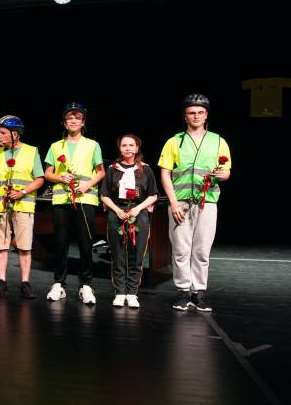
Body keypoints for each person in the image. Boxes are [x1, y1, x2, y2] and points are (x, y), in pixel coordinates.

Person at [159, 94, 231, 312]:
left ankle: (199, 292)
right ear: (185, 116)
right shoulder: (174, 141)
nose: (196, 116)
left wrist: (223, 174)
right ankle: (182, 291)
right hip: (180, 202)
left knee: (201, 250)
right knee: (181, 249)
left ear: (206, 115)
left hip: (206, 202)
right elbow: (165, 173)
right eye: (192, 112)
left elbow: (226, 171)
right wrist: (173, 203)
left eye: (200, 112)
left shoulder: (218, 141)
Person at [43, 102, 105, 305]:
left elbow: (101, 172)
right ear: (64, 122)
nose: (73, 121)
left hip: (85, 199)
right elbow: (48, 173)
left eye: (77, 118)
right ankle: (58, 283)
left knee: (85, 243)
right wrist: (60, 177)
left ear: (83, 122)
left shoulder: (92, 144)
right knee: (60, 242)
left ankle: (86, 285)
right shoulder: (55, 146)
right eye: (70, 117)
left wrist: (86, 186)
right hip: (62, 199)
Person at [0, 115, 44, 299]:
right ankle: (1, 281)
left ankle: (25, 283)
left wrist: (23, 192)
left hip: (23, 205)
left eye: (3, 133)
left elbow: (40, 179)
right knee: (1, 245)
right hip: (1, 206)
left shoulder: (31, 151)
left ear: (15, 134)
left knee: (24, 245)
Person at [100, 134, 158, 308]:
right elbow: (104, 195)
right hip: (117, 213)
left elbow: (153, 195)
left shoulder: (145, 169)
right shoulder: (113, 169)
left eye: (131, 145)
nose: (128, 148)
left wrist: (137, 209)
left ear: (137, 148)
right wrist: (117, 210)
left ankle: (132, 292)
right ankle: (120, 292)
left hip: (138, 214)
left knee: (137, 254)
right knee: (118, 255)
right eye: (124, 145)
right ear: (120, 148)